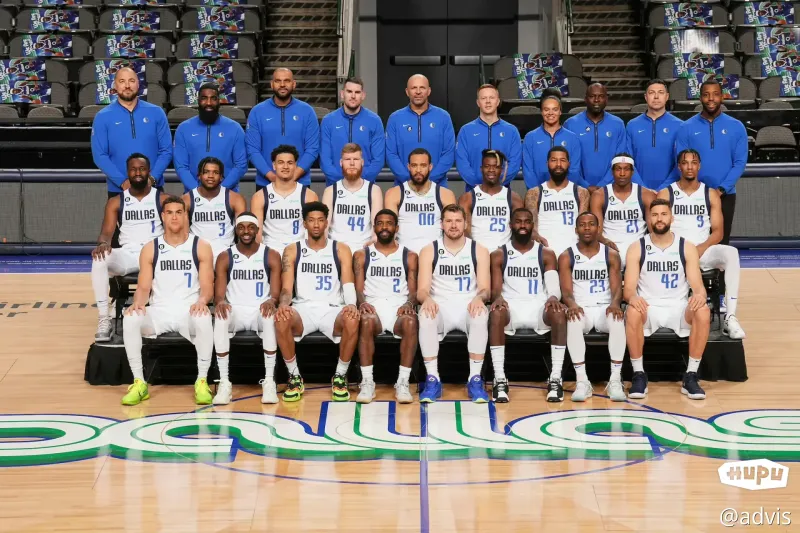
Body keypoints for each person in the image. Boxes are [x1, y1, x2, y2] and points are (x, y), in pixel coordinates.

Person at [120, 196, 215, 406]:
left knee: (204, 318)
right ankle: (139, 382)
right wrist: (138, 302)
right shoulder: (150, 248)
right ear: (162, 216)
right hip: (159, 311)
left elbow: (207, 285)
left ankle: (202, 381)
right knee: (130, 318)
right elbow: (144, 287)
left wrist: (202, 301)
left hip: (188, 310)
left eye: (179, 212)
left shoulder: (200, 246)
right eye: (169, 212)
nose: (174, 217)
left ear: (186, 215)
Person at [624, 198, 711, 400]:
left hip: (678, 308)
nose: (659, 219)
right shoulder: (637, 247)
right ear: (649, 218)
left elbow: (698, 286)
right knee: (632, 310)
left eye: (664, 214)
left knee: (703, 310)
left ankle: (691, 375)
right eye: (655, 215)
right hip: (649, 307)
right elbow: (628, 289)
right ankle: (638, 374)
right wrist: (632, 297)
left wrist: (699, 296)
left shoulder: (686, 247)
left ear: (672, 218)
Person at [274, 201, 361, 402]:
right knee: (281, 318)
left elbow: (348, 283)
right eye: (311, 220)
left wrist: (351, 305)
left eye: (320, 220)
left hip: (332, 308)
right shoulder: (292, 250)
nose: (316, 225)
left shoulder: (340, 249)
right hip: (303, 308)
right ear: (304, 223)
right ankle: (295, 377)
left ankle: (340, 376)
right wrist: (283, 305)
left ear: (326, 223)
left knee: (352, 318)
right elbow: (286, 288)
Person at [656, 149, 746, 339]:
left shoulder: (710, 194)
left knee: (731, 253)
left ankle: (730, 317)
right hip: (675, 252)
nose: (689, 166)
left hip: (703, 251)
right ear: (679, 166)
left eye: (694, 162)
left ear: (699, 166)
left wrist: (700, 249)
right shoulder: (666, 193)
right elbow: (658, 227)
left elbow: (718, 232)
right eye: (685, 163)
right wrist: (681, 250)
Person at [488, 208, 565, 402]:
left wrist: (553, 297)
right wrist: (498, 298)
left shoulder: (546, 253)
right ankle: (499, 378)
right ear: (510, 225)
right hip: (511, 307)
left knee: (558, 313)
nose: (522, 225)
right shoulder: (499, 254)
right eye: (518, 221)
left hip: (537, 307)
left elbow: (553, 289)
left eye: (527, 221)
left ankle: (555, 378)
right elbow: (496, 290)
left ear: (533, 225)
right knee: (496, 312)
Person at [416, 204, 491, 403]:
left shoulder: (479, 250)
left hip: (468, 304)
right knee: (425, 314)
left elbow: (485, 289)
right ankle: (433, 379)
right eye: (449, 221)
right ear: (441, 224)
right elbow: (421, 290)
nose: (454, 225)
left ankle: (475, 379)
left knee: (480, 314)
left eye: (458, 221)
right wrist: (427, 299)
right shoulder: (429, 250)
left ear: (465, 224)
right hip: (440, 305)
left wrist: (480, 297)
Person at [91, 154, 167, 342]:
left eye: (142, 169)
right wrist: (102, 244)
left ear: (149, 172)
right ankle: (104, 318)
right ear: (127, 172)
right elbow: (106, 233)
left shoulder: (162, 199)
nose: (138, 173)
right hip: (128, 254)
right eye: (133, 169)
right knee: (99, 259)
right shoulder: (116, 201)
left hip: (156, 256)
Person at [212, 213, 283, 405]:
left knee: (269, 316)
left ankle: (269, 381)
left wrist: (272, 301)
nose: (246, 231)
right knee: (220, 317)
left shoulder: (271, 255)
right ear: (236, 230)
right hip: (235, 310)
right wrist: (220, 302)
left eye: (251, 227)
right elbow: (219, 295)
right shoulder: (225, 256)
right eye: (241, 227)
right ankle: (224, 382)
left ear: (257, 230)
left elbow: (275, 294)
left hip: (259, 309)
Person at [558, 212, 626, 402]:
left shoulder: (611, 255)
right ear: (576, 229)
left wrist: (615, 304)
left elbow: (617, 289)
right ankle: (582, 381)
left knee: (617, 320)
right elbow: (566, 292)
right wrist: (572, 304)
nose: (587, 228)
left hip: (604, 307)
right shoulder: (566, 256)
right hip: (581, 308)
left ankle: (615, 379)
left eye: (591, 224)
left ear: (598, 228)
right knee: (573, 320)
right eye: (582, 224)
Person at [353, 209, 419, 403]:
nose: (384, 227)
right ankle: (367, 382)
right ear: (374, 227)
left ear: (396, 228)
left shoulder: (409, 255)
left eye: (389, 223)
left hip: (399, 306)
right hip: (373, 305)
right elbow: (358, 290)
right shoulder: (362, 255)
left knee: (411, 321)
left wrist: (409, 303)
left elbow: (413, 291)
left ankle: (403, 382)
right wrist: (362, 302)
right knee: (365, 321)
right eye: (380, 223)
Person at [675, 79, 747, 246]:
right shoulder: (686, 128)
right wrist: (696, 190)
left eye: (715, 94)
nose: (711, 99)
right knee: (692, 244)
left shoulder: (737, 127)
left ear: (722, 96)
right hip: (693, 195)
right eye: (706, 95)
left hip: (725, 195)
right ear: (700, 98)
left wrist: (721, 189)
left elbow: (740, 162)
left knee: (721, 244)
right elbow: (682, 162)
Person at [91, 67, 172, 196]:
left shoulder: (157, 112)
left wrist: (152, 179)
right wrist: (122, 182)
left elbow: (166, 150)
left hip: (153, 188)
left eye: (132, 81)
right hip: (118, 190)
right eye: (122, 81)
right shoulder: (102, 116)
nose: (127, 85)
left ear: (138, 84)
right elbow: (99, 155)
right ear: (115, 85)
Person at [246, 68, 320, 188]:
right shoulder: (257, 112)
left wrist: (293, 177)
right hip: (266, 183)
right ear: (271, 84)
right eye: (278, 81)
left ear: (294, 84)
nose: (282, 85)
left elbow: (312, 149)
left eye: (286, 81)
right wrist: (272, 177)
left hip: (300, 183)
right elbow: (252, 150)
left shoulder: (307, 111)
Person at [173, 83, 248, 192]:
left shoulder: (235, 128)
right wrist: (197, 192)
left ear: (219, 101)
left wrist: (221, 191)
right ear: (198, 100)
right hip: (193, 194)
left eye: (213, 98)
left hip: (228, 194)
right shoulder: (183, 129)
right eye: (204, 98)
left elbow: (241, 165)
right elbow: (181, 166)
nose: (209, 103)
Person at [385, 74, 455, 185]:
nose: (418, 92)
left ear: (429, 91)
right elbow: (391, 154)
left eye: (422, 87)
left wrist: (428, 181)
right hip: (404, 186)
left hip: (437, 186)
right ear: (407, 92)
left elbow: (449, 153)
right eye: (414, 88)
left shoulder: (443, 117)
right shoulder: (395, 118)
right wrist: (409, 180)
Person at [384, 148, 457, 254]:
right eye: (414, 165)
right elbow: (390, 229)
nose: (418, 170)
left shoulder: (445, 195)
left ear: (430, 167)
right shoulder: (394, 194)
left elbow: (452, 230)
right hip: (404, 255)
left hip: (436, 255)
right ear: (408, 167)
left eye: (423, 165)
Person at [590, 154, 656, 268]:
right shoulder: (599, 195)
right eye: (618, 169)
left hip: (639, 250)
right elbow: (596, 231)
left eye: (626, 169)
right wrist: (604, 241)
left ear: (632, 172)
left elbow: (653, 231)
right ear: (612, 171)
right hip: (609, 251)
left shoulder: (646, 195)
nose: (622, 173)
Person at [251, 145, 319, 253]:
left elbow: (315, 231)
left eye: (290, 163)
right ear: (274, 165)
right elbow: (256, 234)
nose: (285, 166)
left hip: (300, 252)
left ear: (295, 165)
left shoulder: (309, 196)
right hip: (270, 251)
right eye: (281, 162)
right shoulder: (260, 197)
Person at [524, 146, 590, 256]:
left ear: (569, 164)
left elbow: (583, 227)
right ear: (547, 164)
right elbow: (532, 228)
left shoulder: (581, 192)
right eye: (554, 160)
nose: (558, 164)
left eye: (562, 160)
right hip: (544, 252)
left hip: (573, 253)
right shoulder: (534, 193)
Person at [319, 77, 385, 186]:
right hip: (335, 186)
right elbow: (325, 160)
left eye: (357, 92)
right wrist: (341, 183)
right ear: (342, 94)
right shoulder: (328, 121)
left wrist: (360, 182)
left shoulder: (374, 121)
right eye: (349, 91)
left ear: (363, 95)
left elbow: (378, 160)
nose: (353, 96)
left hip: (365, 187)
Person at [455, 84, 522, 189]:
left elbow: (514, 163)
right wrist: (478, 186)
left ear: (498, 101)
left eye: (491, 97)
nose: (488, 101)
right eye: (483, 98)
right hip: (473, 191)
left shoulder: (512, 131)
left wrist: (498, 183)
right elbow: (462, 163)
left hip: (502, 191)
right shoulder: (466, 131)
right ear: (478, 102)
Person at [563, 82, 629, 189]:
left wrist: (603, 186)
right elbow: (567, 160)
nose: (596, 100)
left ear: (606, 99)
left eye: (601, 96)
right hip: (578, 188)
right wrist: (585, 186)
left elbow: (620, 159)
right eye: (592, 96)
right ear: (585, 99)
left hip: (611, 187)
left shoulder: (618, 124)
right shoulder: (570, 124)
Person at [458, 149, 524, 250]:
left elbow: (519, 230)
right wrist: (475, 252)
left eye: (496, 167)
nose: (491, 170)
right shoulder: (468, 198)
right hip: (477, 253)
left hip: (504, 254)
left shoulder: (513, 198)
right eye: (487, 166)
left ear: (501, 170)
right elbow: (464, 231)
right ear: (481, 169)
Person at [322, 143, 383, 252]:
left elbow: (376, 226)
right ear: (341, 162)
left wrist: (374, 240)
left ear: (362, 162)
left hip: (364, 249)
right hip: (336, 250)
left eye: (356, 159)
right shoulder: (330, 191)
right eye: (347, 159)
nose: (352, 163)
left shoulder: (374, 190)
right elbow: (324, 228)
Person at [183, 156, 246, 261]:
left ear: (221, 177)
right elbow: (183, 235)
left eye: (215, 172)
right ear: (199, 176)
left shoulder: (235, 199)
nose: (211, 176)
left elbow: (243, 232)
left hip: (227, 256)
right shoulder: (187, 200)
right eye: (206, 172)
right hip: (197, 256)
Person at [625, 79, 683, 191]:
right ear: (646, 97)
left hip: (670, 190)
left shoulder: (680, 126)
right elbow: (628, 161)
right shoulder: (632, 125)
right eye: (651, 93)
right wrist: (642, 188)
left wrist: (664, 189)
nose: (656, 97)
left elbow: (681, 163)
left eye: (660, 92)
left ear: (667, 96)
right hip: (638, 190)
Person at [522, 89, 585, 188]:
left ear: (560, 112)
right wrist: (537, 192)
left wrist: (565, 191)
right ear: (541, 112)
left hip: (566, 192)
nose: (550, 113)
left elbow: (574, 170)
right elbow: (528, 171)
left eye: (555, 109)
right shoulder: (530, 137)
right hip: (538, 192)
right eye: (546, 109)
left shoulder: (572, 138)